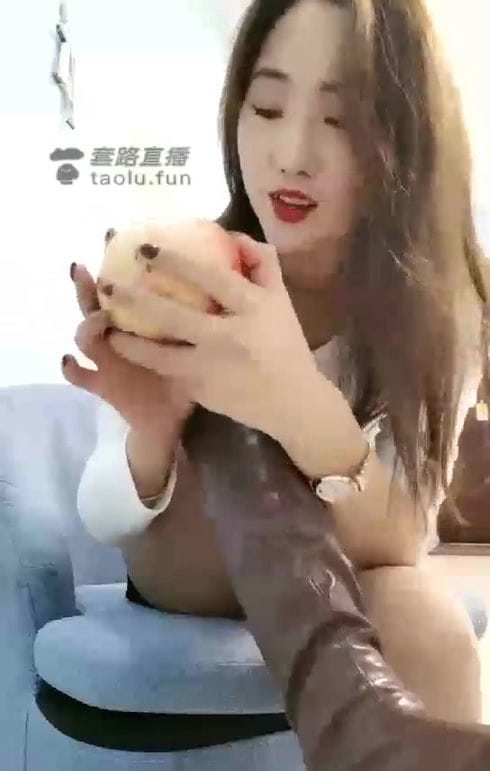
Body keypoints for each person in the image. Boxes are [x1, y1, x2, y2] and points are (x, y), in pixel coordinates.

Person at [62, 0, 488, 726]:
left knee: (432, 635)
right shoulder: (184, 269)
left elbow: (404, 536)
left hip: (344, 572)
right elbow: (105, 519)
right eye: (266, 107)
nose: (292, 154)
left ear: (407, 137)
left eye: (340, 119)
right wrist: (151, 435)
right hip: (189, 572)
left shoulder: (439, 310)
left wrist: (295, 397)